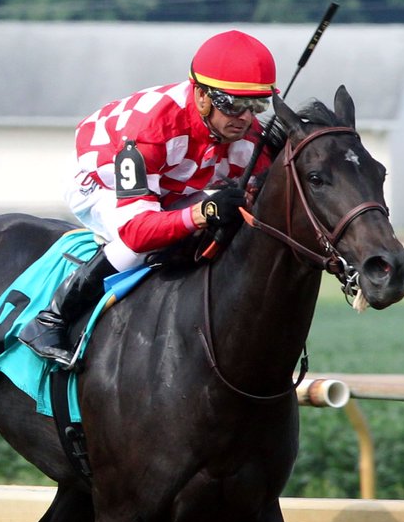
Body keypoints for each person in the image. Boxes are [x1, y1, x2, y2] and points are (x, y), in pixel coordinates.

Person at [19, 29, 278, 367]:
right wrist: (204, 211)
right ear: (201, 96)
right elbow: (136, 231)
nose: (245, 118)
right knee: (141, 246)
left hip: (171, 184)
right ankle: (50, 319)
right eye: (234, 104)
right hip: (99, 179)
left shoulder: (246, 134)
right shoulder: (151, 130)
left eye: (257, 105)